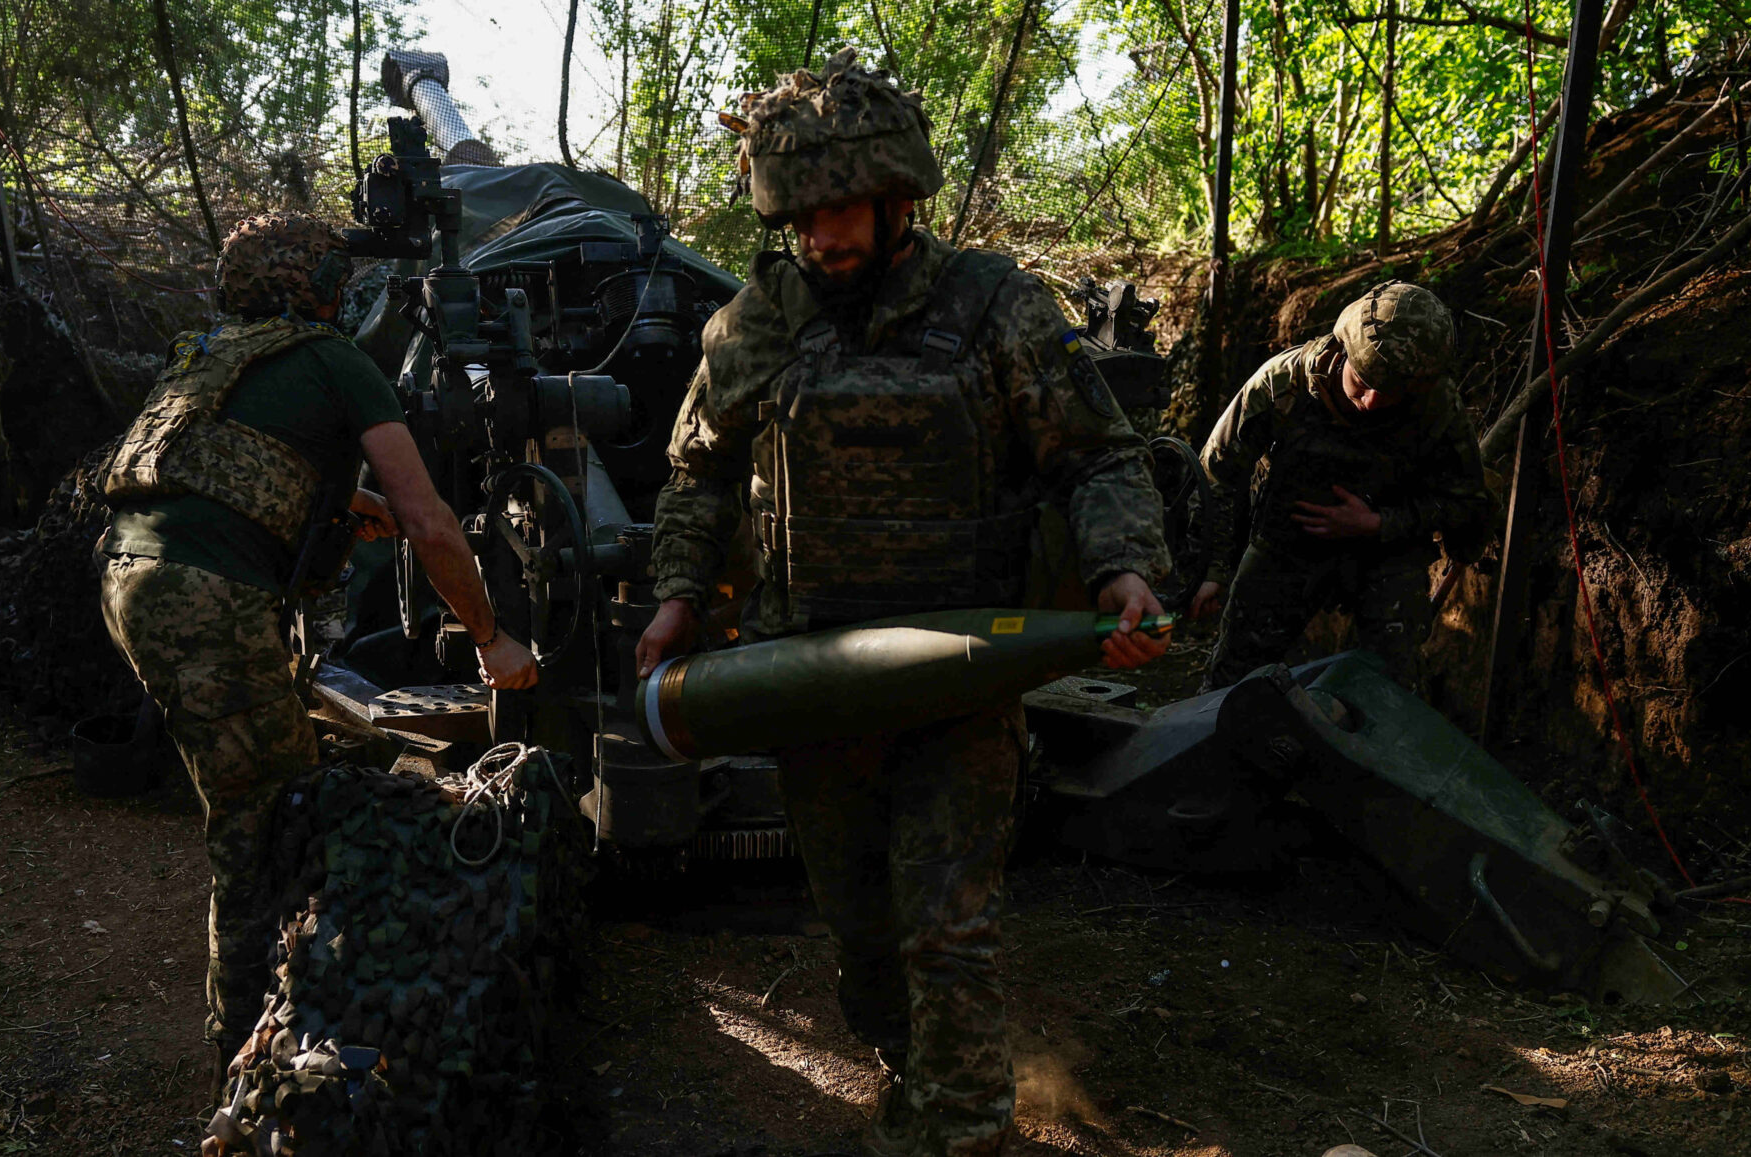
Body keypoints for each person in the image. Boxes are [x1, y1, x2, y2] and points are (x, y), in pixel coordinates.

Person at [634, 52, 1171, 1157]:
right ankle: (910, 1066)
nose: (821, 237)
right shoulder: (754, 325)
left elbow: (1096, 455)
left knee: (947, 927)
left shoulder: (997, 309)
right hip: (810, 679)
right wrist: (679, 593)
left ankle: (957, 1127)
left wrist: (1123, 569)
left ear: (896, 201)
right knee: (861, 924)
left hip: (959, 675)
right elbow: (695, 472)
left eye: (839, 212)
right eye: (801, 217)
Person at [94, 211, 538, 1071]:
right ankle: (251, 1047)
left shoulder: (208, 352)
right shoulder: (334, 361)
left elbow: (225, 473)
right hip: (205, 595)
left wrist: (347, 507)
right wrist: (491, 637)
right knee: (267, 820)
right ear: (325, 285)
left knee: (262, 781)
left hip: (125, 575)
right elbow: (428, 517)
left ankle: (265, 1014)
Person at [1188, 279, 1493, 693]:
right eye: (1362, 382)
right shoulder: (1283, 385)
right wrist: (1212, 570)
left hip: (1387, 552)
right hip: (1286, 542)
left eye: (1390, 394)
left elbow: (1466, 505)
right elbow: (1217, 474)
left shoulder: (1439, 410)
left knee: (1391, 684)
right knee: (1232, 678)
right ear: (1343, 351)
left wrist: (1379, 524)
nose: (1369, 402)